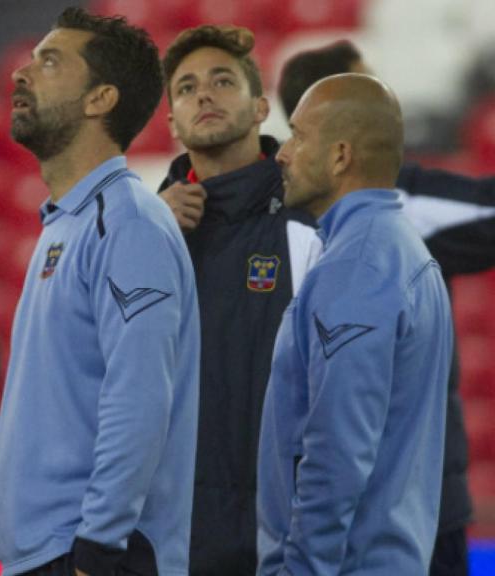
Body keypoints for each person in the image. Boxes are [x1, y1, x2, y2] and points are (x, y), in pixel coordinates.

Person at [0, 8, 200, 576]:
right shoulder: (70, 220)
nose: (21, 73)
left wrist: (99, 548)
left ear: (99, 99)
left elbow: (139, 398)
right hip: (57, 551)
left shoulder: (126, 222)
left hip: (93, 555)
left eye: (49, 61)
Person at [279, 41, 495, 576]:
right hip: (388, 521)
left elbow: (337, 440)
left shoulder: (362, 236)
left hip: (343, 523)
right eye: (370, 90)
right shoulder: (394, 211)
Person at [258, 72, 453, 575]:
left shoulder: (357, 268)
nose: (282, 152)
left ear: (340, 156)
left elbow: (336, 454)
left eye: (298, 136)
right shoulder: (399, 250)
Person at [157, 25, 320, 575]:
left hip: (288, 536)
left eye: (222, 81)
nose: (203, 94)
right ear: (171, 123)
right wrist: (154, 229)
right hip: (169, 534)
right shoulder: (141, 234)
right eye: (185, 88)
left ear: (259, 109)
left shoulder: (311, 222)